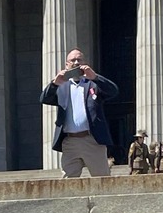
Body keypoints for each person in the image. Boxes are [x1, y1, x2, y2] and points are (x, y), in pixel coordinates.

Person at [40, 49, 119, 178]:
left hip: (92, 140)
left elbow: (113, 91)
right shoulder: (61, 87)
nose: (76, 63)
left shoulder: (93, 84)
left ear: (85, 63)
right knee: (68, 181)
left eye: (79, 60)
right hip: (70, 141)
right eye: (73, 60)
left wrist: (95, 77)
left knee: (102, 179)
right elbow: (44, 99)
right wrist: (54, 84)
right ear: (67, 65)